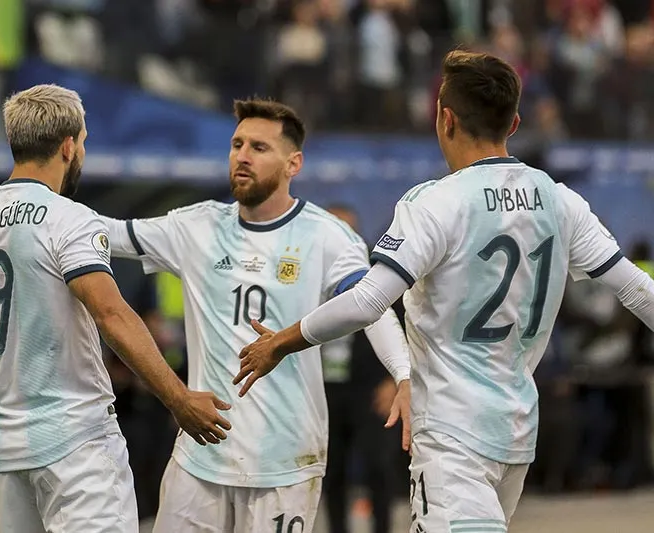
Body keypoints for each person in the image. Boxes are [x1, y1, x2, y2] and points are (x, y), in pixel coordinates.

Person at [234, 50, 654, 532]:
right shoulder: (561, 201)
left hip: (453, 435)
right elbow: (639, 292)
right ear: (513, 123)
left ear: (445, 118)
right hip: (516, 432)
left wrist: (281, 342)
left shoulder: (434, 203)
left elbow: (370, 300)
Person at [0, 84, 232, 533]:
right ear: (68, 147)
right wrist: (178, 397)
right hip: (78, 447)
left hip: (5, 456)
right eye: (84, 142)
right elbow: (111, 314)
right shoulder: (69, 218)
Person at [98, 97, 411, 533]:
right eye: (237, 144)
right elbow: (106, 233)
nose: (242, 156)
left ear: (293, 163)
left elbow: (371, 306)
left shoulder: (327, 235)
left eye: (259, 148)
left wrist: (402, 374)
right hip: (200, 457)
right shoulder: (196, 226)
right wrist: (43, 205)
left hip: (284, 463)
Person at [321, 205, 405, 533]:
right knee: (332, 470)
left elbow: (401, 325)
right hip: (325, 387)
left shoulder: (379, 273)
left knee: (377, 468)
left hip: (369, 387)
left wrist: (392, 380)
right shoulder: (309, 273)